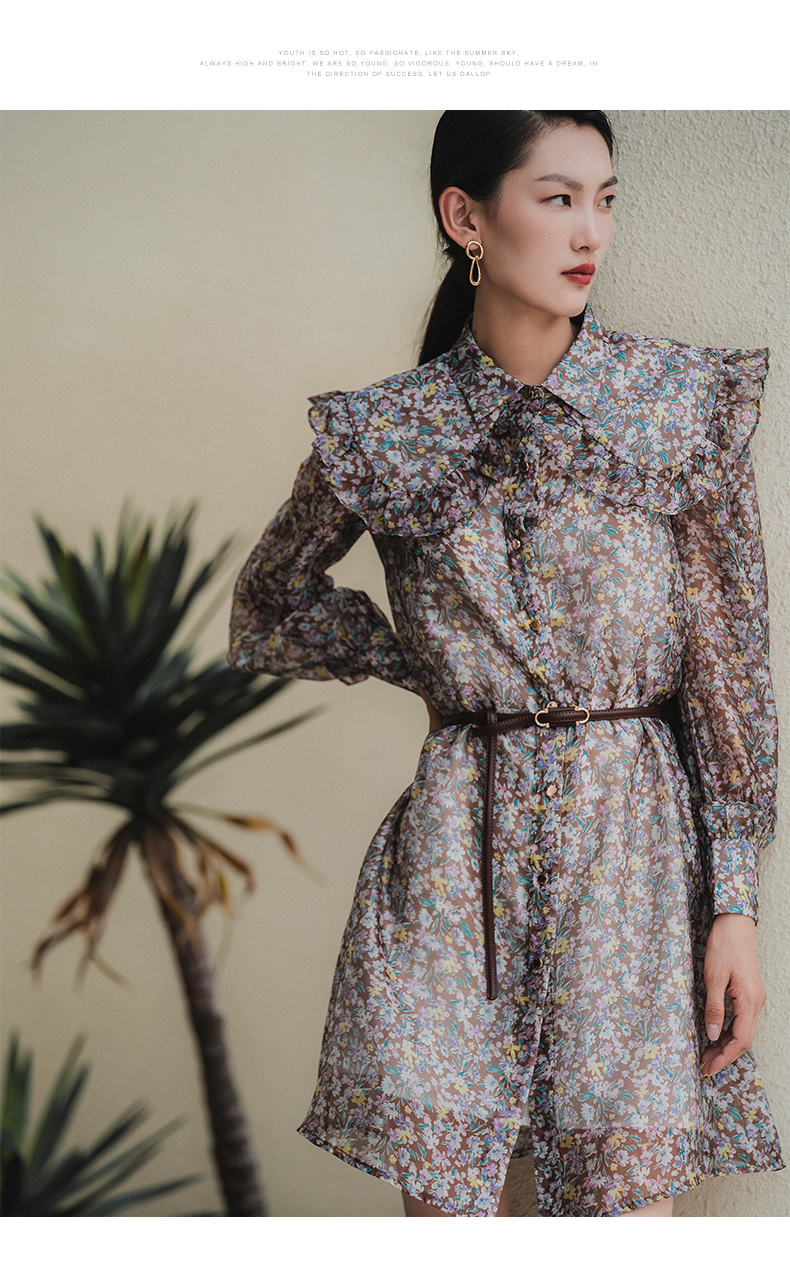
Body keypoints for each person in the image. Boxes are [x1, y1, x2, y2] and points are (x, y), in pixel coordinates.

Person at [227, 111, 783, 1217]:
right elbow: (267, 602)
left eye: (605, 199)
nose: (591, 232)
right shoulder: (386, 431)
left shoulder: (678, 406)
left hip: (631, 869)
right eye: (557, 197)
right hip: (451, 868)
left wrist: (735, 906)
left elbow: (729, 674)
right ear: (466, 217)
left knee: (627, 1215)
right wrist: (422, 663)